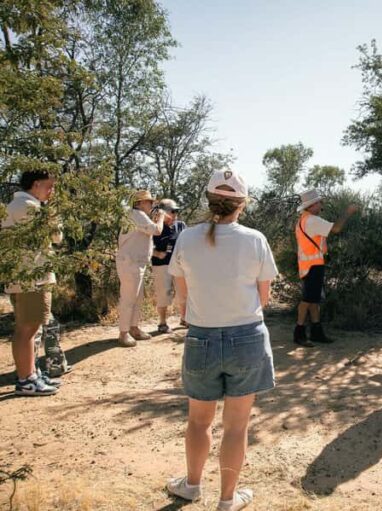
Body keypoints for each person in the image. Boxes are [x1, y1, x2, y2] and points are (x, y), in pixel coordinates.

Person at [166, 169, 278, 511]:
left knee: (198, 421)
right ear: (241, 205)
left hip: (202, 337)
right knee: (236, 426)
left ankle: (192, 485)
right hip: (247, 336)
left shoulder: (187, 238)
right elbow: (265, 297)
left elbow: (181, 297)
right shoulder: (254, 239)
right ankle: (228, 499)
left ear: (209, 201)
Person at [2, 170, 63, 396]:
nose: (52, 191)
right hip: (32, 278)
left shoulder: (17, 206)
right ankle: (26, 379)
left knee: (26, 328)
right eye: (49, 186)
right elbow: (56, 237)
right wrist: (54, 211)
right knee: (28, 328)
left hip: (23, 277)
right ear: (36, 184)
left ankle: (30, 374)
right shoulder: (30, 207)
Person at [293, 188, 358, 347]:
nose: (321, 205)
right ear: (312, 205)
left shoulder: (305, 220)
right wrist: (348, 212)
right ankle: (299, 332)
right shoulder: (312, 221)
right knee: (308, 299)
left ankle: (316, 331)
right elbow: (336, 228)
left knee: (313, 299)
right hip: (312, 265)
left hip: (310, 265)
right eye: (319, 203)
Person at [116, 190, 165, 347]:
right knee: (129, 298)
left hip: (136, 262)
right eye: (149, 202)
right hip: (131, 262)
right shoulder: (136, 214)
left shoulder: (137, 215)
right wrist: (161, 218)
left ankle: (133, 328)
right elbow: (156, 230)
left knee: (137, 297)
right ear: (139, 203)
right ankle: (124, 333)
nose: (151, 205)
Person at [151, 199, 187, 333]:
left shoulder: (181, 225)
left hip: (180, 265)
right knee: (163, 293)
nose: (175, 214)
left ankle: (184, 318)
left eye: (177, 211)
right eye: (173, 211)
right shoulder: (156, 226)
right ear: (163, 212)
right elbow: (146, 247)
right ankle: (162, 323)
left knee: (184, 292)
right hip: (161, 265)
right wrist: (156, 253)